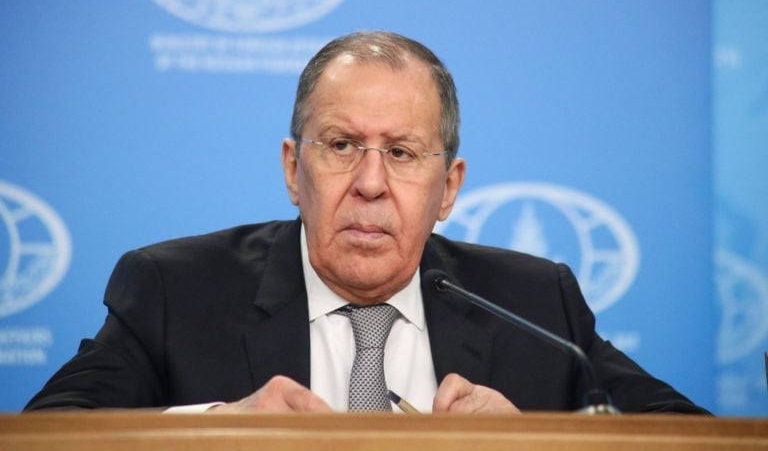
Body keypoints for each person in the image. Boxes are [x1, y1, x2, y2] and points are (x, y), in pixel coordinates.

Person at [25, 31, 708, 414]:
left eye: (403, 153)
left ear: (449, 188)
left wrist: (536, 443)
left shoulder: (534, 304)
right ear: (293, 169)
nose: (371, 183)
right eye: (342, 145)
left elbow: (684, 434)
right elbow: (48, 432)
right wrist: (218, 429)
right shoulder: (175, 292)